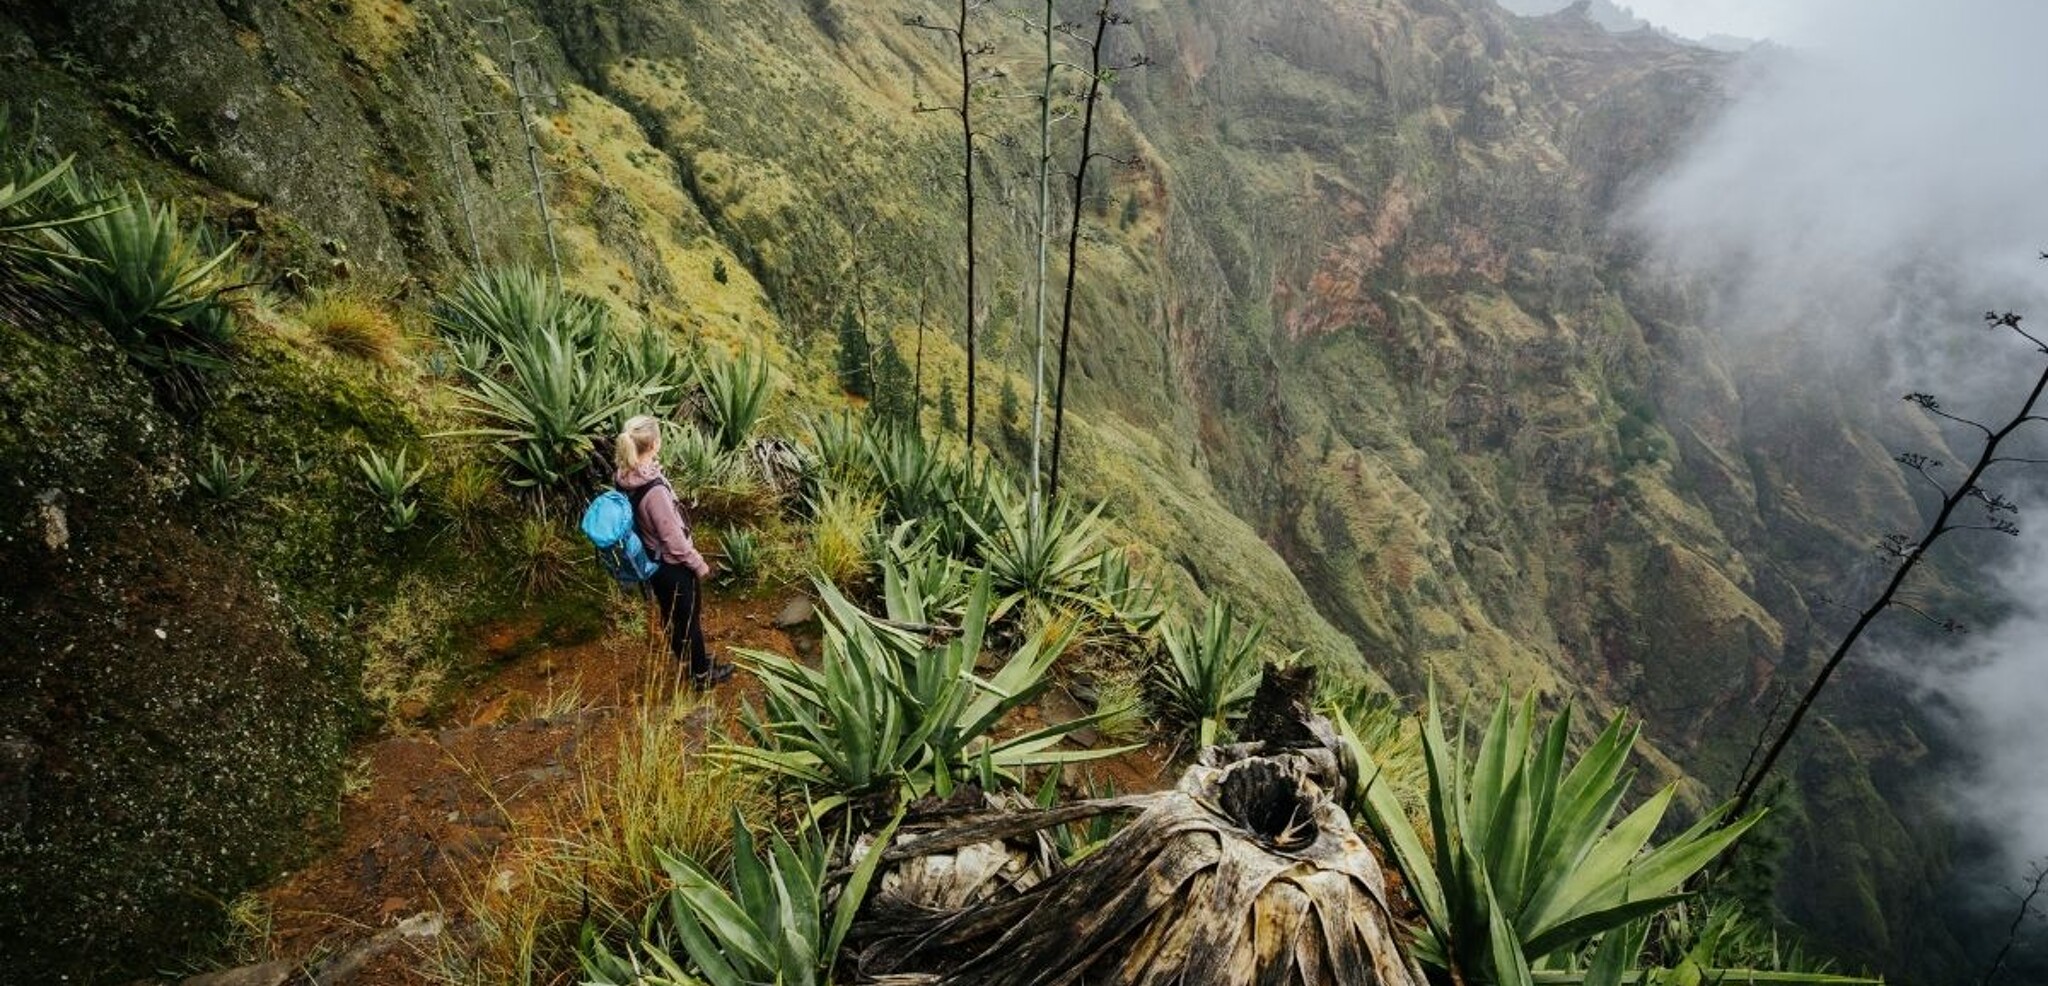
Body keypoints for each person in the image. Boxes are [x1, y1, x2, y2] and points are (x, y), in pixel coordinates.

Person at [614, 415, 734, 689]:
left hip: (652, 561)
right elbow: (674, 541)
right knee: (688, 619)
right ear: (654, 444)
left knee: (672, 614)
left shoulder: (623, 476)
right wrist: (699, 564)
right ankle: (702, 676)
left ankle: (692, 660)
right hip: (671, 564)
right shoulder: (653, 490)